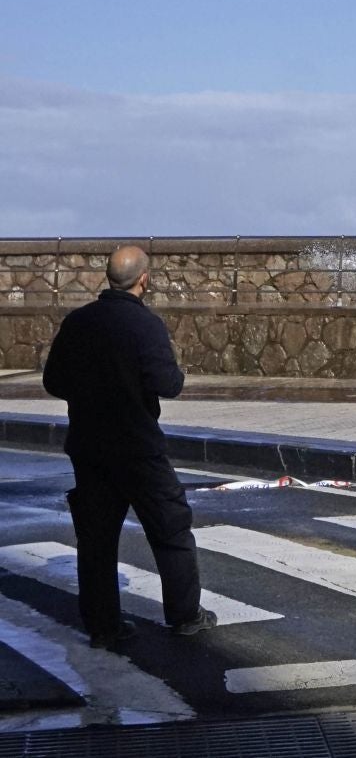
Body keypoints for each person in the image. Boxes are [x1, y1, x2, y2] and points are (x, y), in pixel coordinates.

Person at [42, 245, 215, 647]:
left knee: (97, 540)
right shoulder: (146, 325)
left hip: (89, 447)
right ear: (144, 279)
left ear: (108, 278)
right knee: (171, 529)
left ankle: (104, 626)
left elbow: (53, 381)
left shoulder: (78, 322)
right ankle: (185, 615)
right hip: (138, 449)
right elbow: (166, 385)